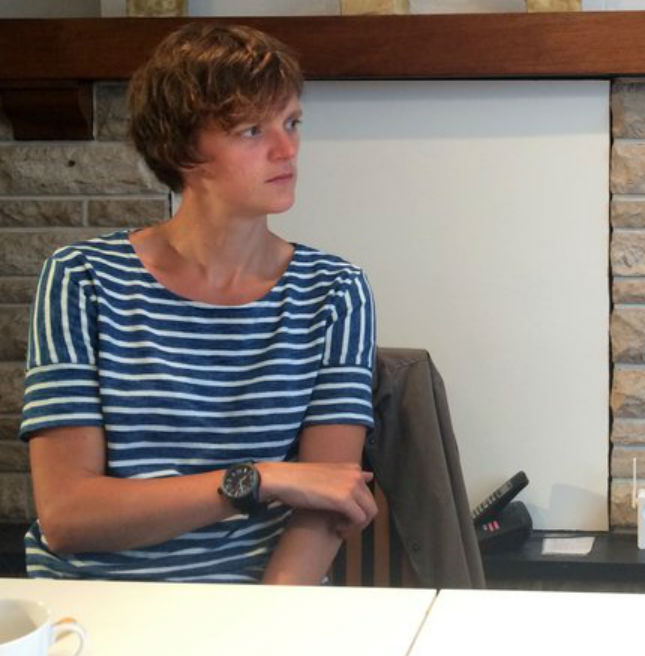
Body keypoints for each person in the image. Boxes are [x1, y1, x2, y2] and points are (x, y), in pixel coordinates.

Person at [21, 23, 378, 584]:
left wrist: (263, 625)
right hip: (97, 602)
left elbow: (325, 500)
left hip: (258, 601)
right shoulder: (82, 279)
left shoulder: (333, 290)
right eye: (251, 130)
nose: (287, 150)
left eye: (291, 122)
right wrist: (256, 479)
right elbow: (67, 516)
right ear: (183, 147)